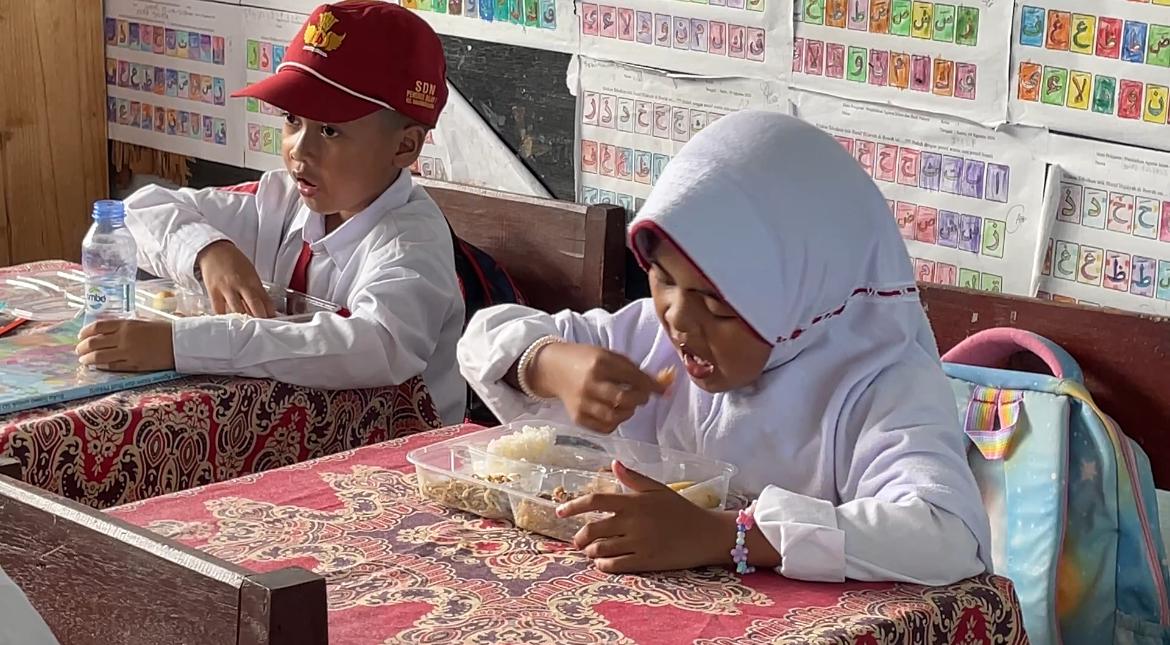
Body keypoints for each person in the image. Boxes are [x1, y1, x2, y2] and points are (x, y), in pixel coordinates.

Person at [457, 111, 991, 584]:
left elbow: (946, 533)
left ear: (800, 299)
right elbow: (482, 341)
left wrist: (729, 535)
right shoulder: (647, 341)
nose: (678, 318)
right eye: (662, 279)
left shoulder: (880, 384)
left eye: (716, 304)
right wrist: (548, 364)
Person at [76, 1, 466, 424]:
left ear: (404, 147)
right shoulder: (280, 200)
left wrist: (182, 344)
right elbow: (136, 213)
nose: (299, 149)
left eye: (330, 130)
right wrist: (209, 251)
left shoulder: (412, 242)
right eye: (292, 119)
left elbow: (373, 344)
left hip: (394, 450)